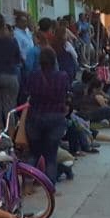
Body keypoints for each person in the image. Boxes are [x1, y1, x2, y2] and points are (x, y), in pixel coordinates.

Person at [26, 47, 71, 180]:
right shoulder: (62, 76)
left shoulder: (33, 76)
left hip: (35, 117)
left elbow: (26, 93)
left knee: (33, 153)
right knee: (51, 156)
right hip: (56, 118)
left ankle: (28, 182)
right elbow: (67, 94)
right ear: (54, 60)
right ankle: (49, 186)